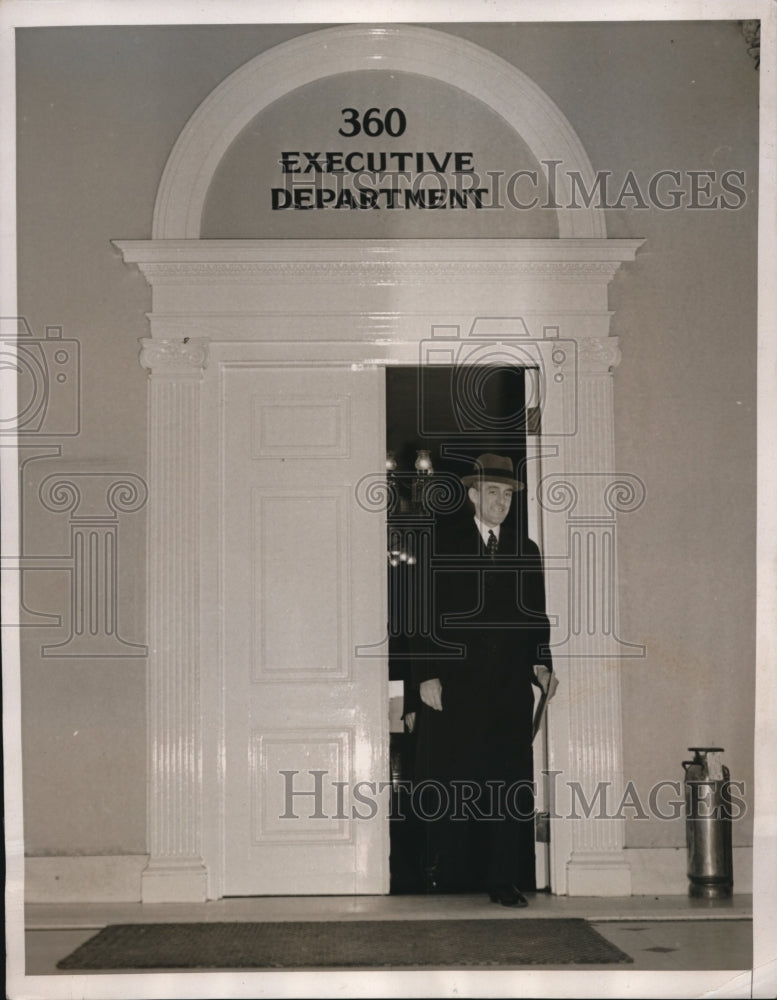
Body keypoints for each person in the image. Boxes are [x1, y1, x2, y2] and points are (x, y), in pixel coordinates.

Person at [410, 453, 556, 907]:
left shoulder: (524, 551)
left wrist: (541, 663)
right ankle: (451, 872)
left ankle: (502, 879)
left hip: (509, 688)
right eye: (492, 492)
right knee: (458, 779)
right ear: (473, 495)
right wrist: (426, 674)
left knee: (510, 783)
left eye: (508, 493)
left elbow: (535, 616)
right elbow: (420, 615)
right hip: (457, 687)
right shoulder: (442, 545)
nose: (501, 501)